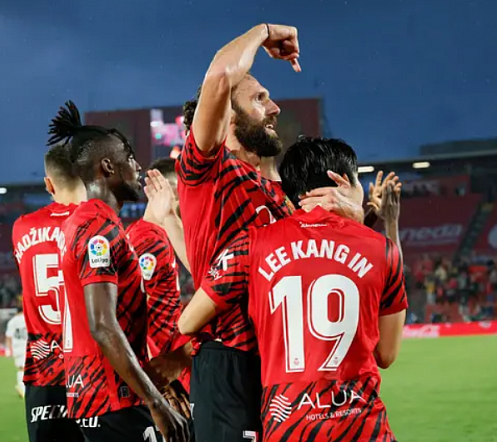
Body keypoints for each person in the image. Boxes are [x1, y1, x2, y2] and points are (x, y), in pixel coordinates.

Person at [178, 23, 365, 442]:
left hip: (283, 363)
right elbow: (219, 76)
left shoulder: (280, 195)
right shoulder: (207, 172)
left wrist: (357, 216)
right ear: (227, 116)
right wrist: (264, 33)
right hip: (230, 362)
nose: (275, 107)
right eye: (259, 99)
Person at [179, 137, 408, 442]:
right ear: (342, 181)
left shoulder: (251, 244)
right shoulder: (383, 249)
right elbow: (386, 354)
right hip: (361, 426)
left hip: (289, 427)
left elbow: (188, 323)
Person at [48, 101, 189, 442]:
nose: (137, 165)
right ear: (108, 166)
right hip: (112, 397)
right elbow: (103, 325)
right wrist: (155, 402)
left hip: (98, 394)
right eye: (129, 157)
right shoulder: (98, 227)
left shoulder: (84, 222)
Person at [11, 141, 87, 442]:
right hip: (91, 372)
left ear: (48, 183)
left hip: (43, 377)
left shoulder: (22, 228)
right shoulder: (99, 224)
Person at [125, 158, 192, 412]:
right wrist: (159, 384)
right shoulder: (149, 241)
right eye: (188, 191)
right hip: (165, 374)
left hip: (168, 370)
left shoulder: (152, 235)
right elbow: (136, 314)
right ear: (169, 190)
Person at [5, 306, 28, 398]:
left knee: (21, 368)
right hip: (28, 346)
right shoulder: (28, 318)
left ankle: (21, 387)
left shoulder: (12, 321)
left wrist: (8, 350)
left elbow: (8, 336)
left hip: (17, 348)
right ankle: (25, 387)